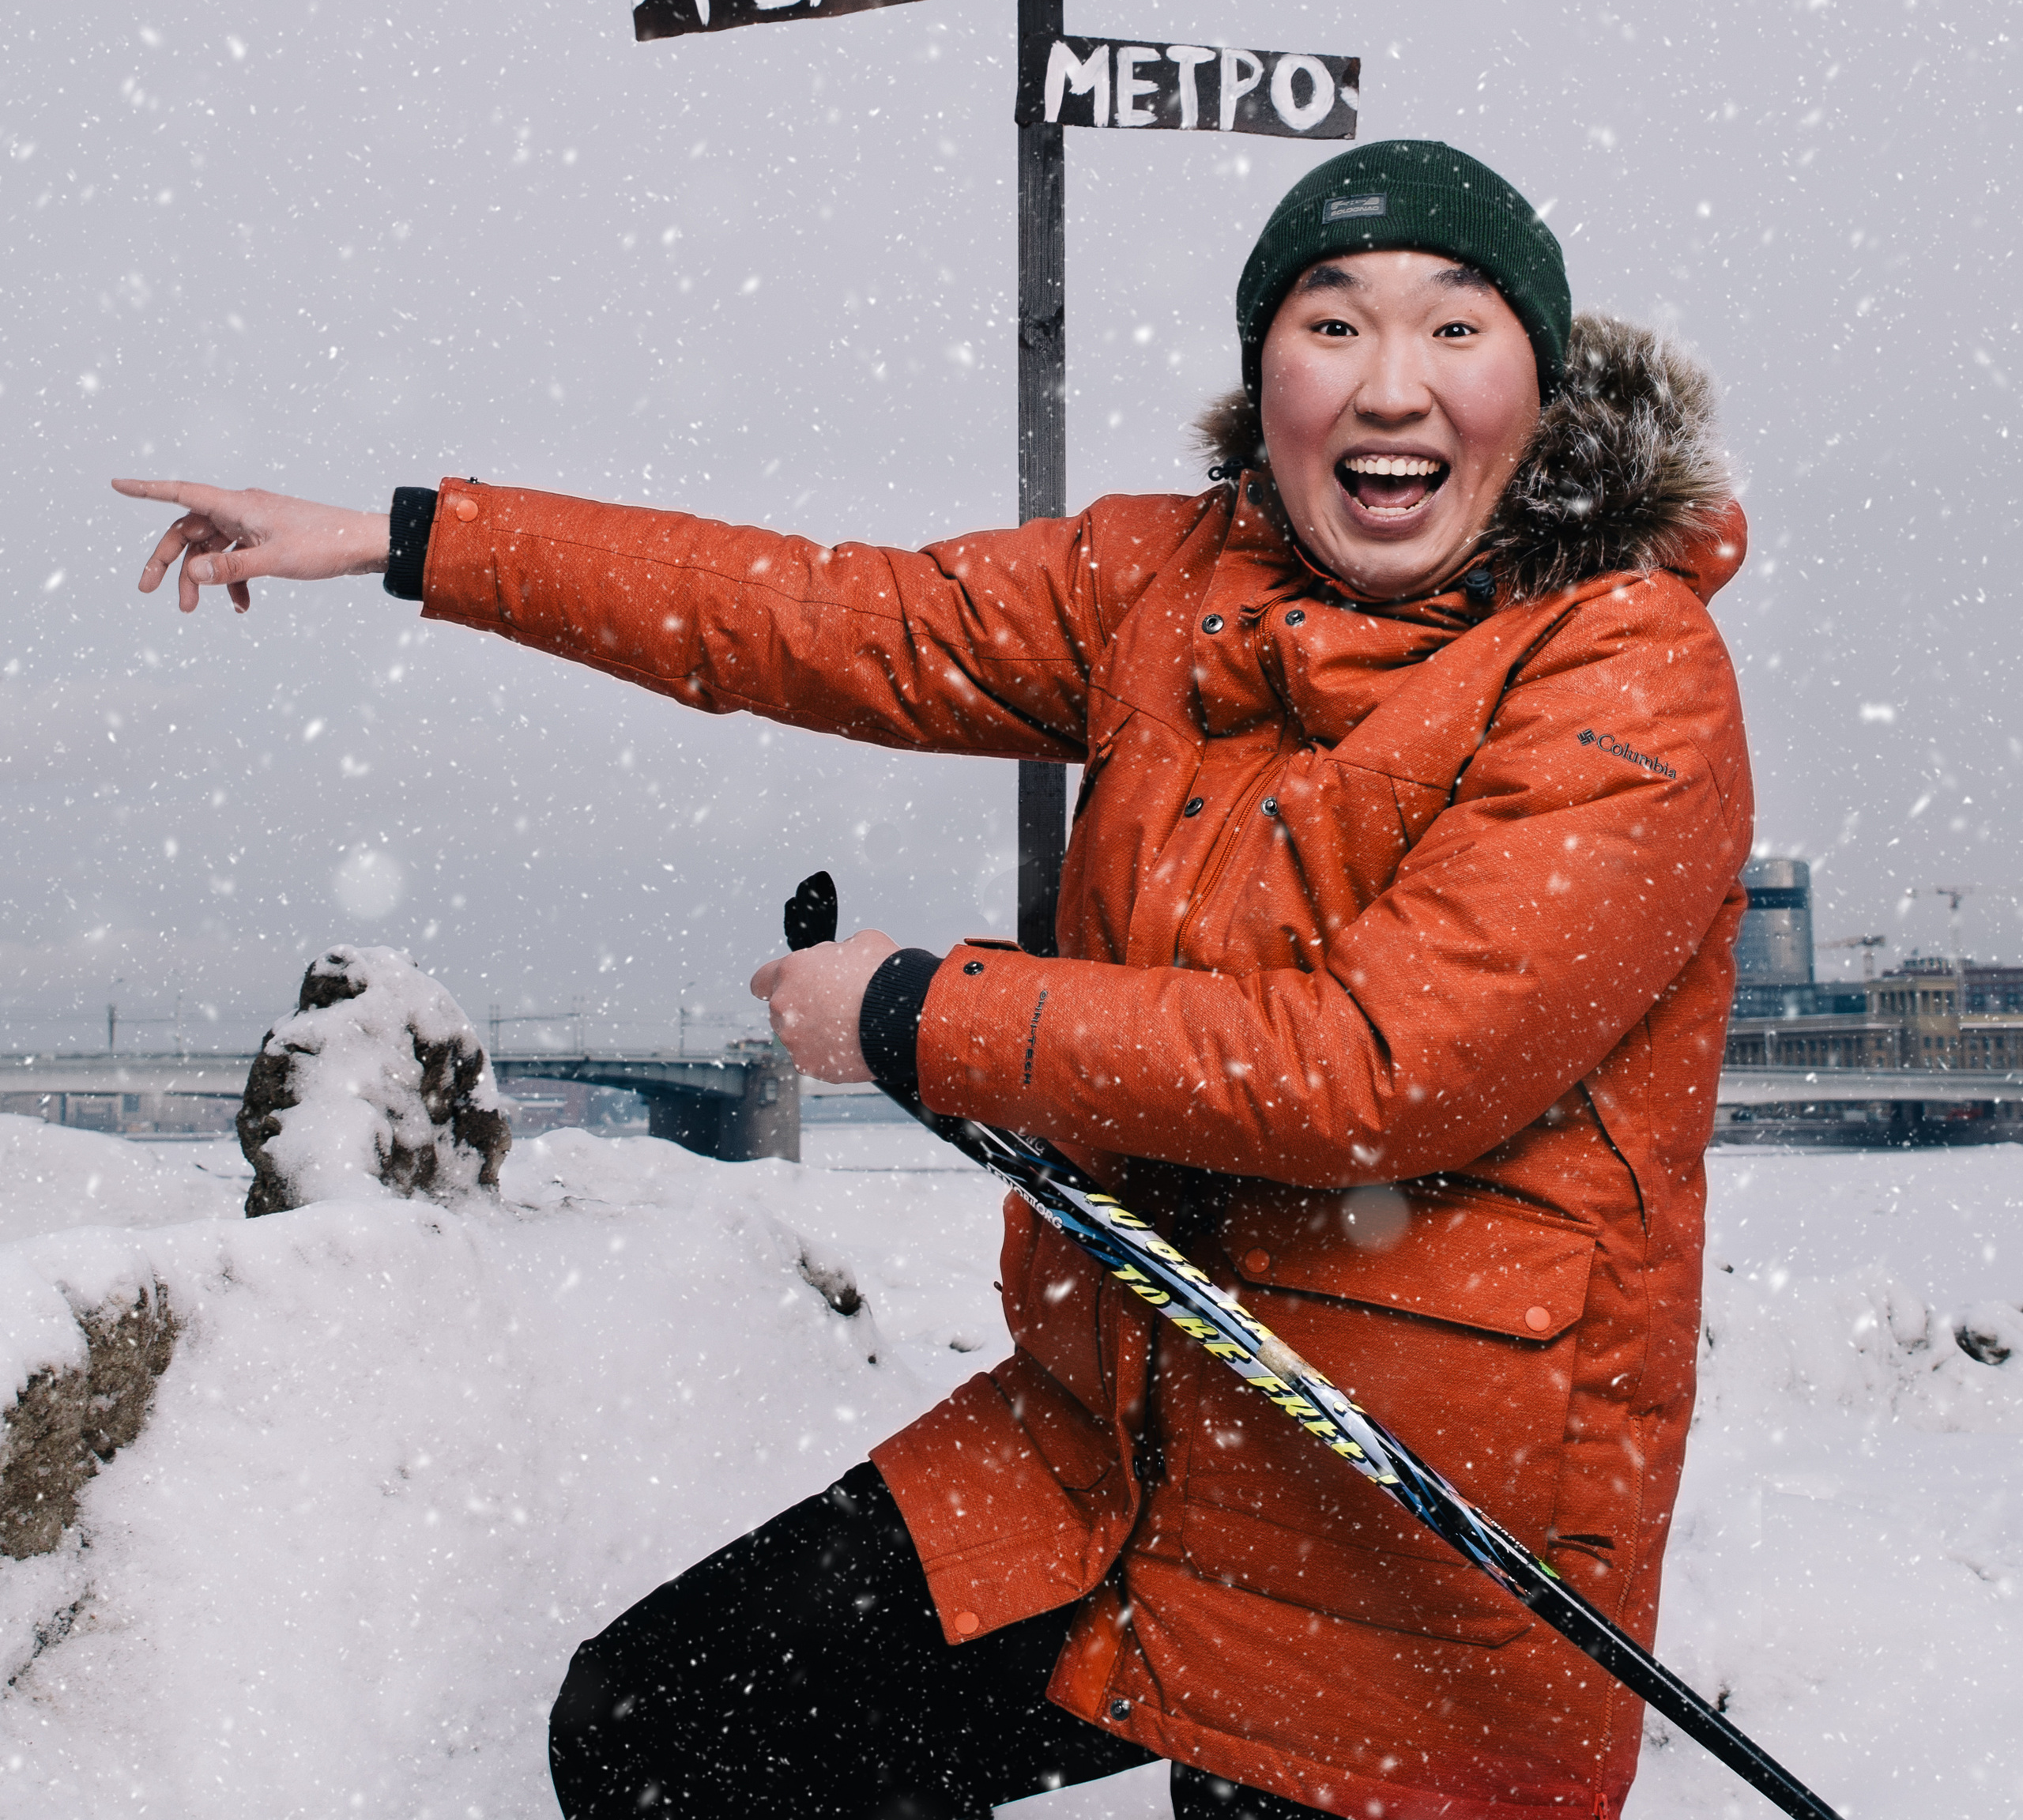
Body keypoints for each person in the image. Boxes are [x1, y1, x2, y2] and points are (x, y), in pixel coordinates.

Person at [115, 139, 1752, 1820]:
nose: (1388, 384)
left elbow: (1373, 1067)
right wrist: (408, 537)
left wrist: (914, 1016)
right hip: (1114, 1445)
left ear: (1539, 388)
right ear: (1264, 369)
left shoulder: (1625, 668)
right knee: (665, 1728)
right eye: (1330, 325)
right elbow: (825, 614)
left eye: (1453, 330)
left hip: (1406, 1532)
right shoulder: (1163, 590)